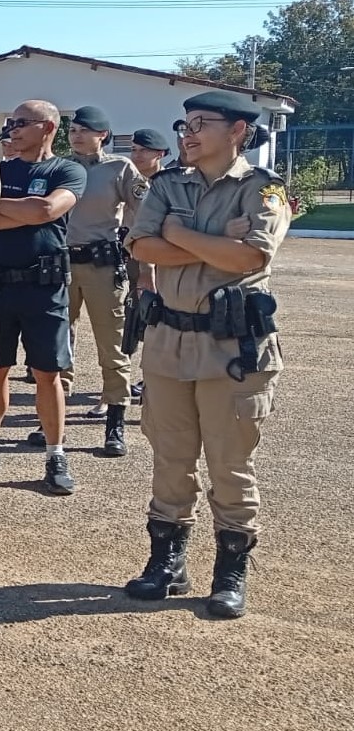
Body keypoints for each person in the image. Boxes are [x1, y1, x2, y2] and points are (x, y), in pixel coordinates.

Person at [122, 91, 288, 619]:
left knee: (230, 462)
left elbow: (249, 256)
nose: (187, 133)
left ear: (237, 130)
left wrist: (179, 231)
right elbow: (141, 246)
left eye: (201, 124)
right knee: (170, 458)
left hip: (232, 348)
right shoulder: (168, 184)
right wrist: (205, 239)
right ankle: (166, 562)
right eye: (184, 124)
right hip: (169, 341)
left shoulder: (264, 191)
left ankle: (230, 571)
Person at [0, 101, 86, 494]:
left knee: (48, 374)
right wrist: (17, 211)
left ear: (49, 127)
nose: (13, 130)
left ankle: (56, 455)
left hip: (45, 288)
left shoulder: (66, 170)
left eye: (22, 123)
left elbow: (46, 210)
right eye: (10, 123)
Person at [61, 106, 148, 456]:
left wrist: (132, 247)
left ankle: (114, 424)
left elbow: (145, 211)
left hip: (102, 266)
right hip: (60, 267)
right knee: (56, 345)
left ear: (103, 135)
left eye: (84, 130)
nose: (76, 135)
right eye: (72, 130)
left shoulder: (119, 167)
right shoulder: (60, 167)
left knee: (111, 347)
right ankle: (51, 419)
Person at [124, 127, 173, 398]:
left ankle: (150, 379)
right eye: (134, 149)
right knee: (131, 322)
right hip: (130, 258)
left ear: (160, 154)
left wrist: (148, 269)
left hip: (157, 262)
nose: (137, 155)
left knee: (156, 320)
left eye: (144, 150)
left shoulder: (169, 183)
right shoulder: (131, 180)